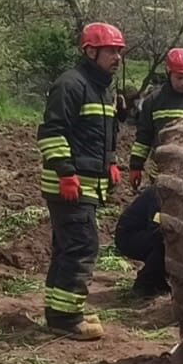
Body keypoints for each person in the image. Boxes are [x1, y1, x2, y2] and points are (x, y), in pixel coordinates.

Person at [37, 21, 125, 340]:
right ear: (90, 51)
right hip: (70, 186)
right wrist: (66, 173)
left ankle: (61, 312)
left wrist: (112, 161)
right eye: (110, 51)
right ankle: (68, 320)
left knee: (68, 248)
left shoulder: (102, 88)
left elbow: (105, 132)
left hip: (87, 184)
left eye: (119, 51)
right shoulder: (71, 84)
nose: (117, 57)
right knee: (82, 246)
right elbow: (51, 132)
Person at [129, 47, 183, 188]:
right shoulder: (153, 101)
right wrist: (135, 166)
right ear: (168, 72)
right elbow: (144, 137)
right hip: (160, 173)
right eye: (179, 78)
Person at [115, 185, 168, 297]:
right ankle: (144, 283)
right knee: (164, 243)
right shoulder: (158, 194)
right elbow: (156, 228)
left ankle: (159, 281)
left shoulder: (162, 193)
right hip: (128, 236)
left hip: (140, 233)